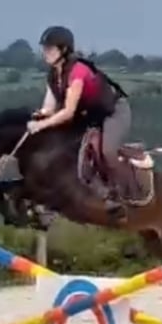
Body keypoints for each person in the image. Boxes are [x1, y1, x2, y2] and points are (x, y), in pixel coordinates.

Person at [28, 25, 131, 213]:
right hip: (90, 115)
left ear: (64, 50)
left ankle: (124, 191)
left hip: (114, 112)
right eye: (44, 49)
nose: (45, 53)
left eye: (49, 49)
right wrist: (38, 117)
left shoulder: (78, 72)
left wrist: (41, 124)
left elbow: (68, 112)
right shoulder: (53, 75)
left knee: (107, 150)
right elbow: (49, 107)